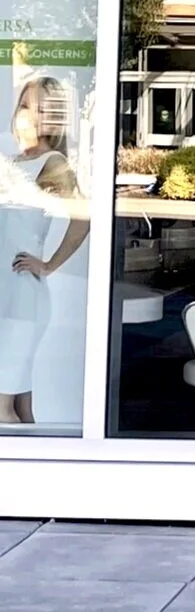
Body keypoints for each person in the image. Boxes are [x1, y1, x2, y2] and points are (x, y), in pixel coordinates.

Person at [0, 75, 88, 425]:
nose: (28, 115)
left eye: (40, 109)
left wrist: (49, 264)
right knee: (21, 407)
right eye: (24, 105)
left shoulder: (52, 163)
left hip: (22, 298)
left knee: (2, 408)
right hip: (7, 294)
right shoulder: (13, 161)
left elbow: (83, 217)